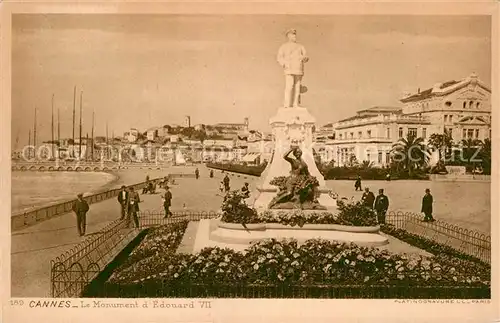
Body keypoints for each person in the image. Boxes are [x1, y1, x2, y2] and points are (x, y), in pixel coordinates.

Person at [277, 28, 309, 108]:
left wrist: (304, 58)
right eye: (292, 34)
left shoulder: (300, 46)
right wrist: (284, 63)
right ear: (288, 36)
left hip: (298, 68)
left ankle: (296, 104)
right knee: (289, 85)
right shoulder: (284, 46)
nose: (294, 36)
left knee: (297, 86)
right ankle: (287, 104)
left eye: (294, 34)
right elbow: (279, 57)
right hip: (289, 68)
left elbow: (305, 56)